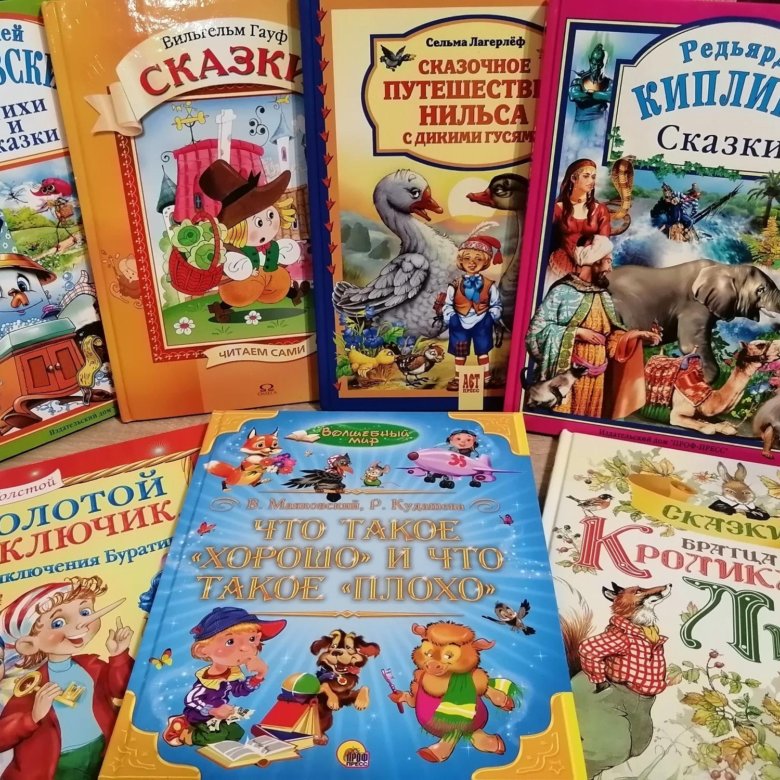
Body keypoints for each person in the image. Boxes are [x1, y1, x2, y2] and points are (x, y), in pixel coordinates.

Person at [0, 577, 133, 780]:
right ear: (29, 644)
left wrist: (119, 655)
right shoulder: (29, 686)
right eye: (58, 623)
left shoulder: (91, 666)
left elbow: (124, 690)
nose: (81, 624)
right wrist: (32, 717)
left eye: (85, 612)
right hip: (59, 764)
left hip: (103, 751)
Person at [526, 248, 660, 420]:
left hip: (598, 380)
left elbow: (610, 338)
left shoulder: (603, 296)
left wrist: (636, 336)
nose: (610, 269)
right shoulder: (562, 292)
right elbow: (535, 332)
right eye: (608, 261)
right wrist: (576, 332)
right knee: (564, 419)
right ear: (595, 261)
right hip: (569, 375)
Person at [198, 161, 308, 323]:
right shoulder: (236, 253)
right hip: (245, 279)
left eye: (271, 215)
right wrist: (244, 269)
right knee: (242, 290)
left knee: (279, 280)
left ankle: (293, 293)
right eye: (259, 223)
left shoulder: (272, 245)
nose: (268, 224)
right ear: (238, 230)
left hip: (267, 277)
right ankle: (221, 307)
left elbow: (277, 257)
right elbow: (232, 266)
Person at [163, 606, 286, 747]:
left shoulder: (232, 674)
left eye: (252, 639)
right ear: (203, 650)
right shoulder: (206, 680)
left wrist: (259, 675)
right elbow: (191, 700)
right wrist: (211, 710)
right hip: (199, 716)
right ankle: (185, 732)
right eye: (230, 642)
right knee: (217, 736)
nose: (246, 648)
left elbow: (239, 691)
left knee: (236, 733)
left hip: (218, 716)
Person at [441, 226, 504, 391]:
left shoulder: (489, 285)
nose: (472, 263)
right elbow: (448, 303)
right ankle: (458, 378)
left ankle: (486, 378)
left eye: (478, 259)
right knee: (460, 351)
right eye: (467, 258)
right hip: (459, 322)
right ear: (461, 261)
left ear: (485, 262)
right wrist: (451, 317)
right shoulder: (455, 284)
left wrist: (492, 316)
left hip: (482, 321)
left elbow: (496, 303)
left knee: (482, 350)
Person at [548, 158, 613, 284]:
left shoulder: (600, 210)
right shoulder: (557, 208)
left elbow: (603, 244)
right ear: (573, 178)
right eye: (586, 176)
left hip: (589, 271)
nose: (591, 181)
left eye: (593, 177)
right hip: (558, 267)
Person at [569, 43, 612, 124]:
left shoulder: (609, 83)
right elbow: (573, 95)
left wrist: (589, 94)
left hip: (600, 124)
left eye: (600, 65)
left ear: (603, 65)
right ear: (590, 62)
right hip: (580, 124)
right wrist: (597, 96)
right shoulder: (578, 82)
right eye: (594, 64)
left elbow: (611, 97)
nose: (596, 68)